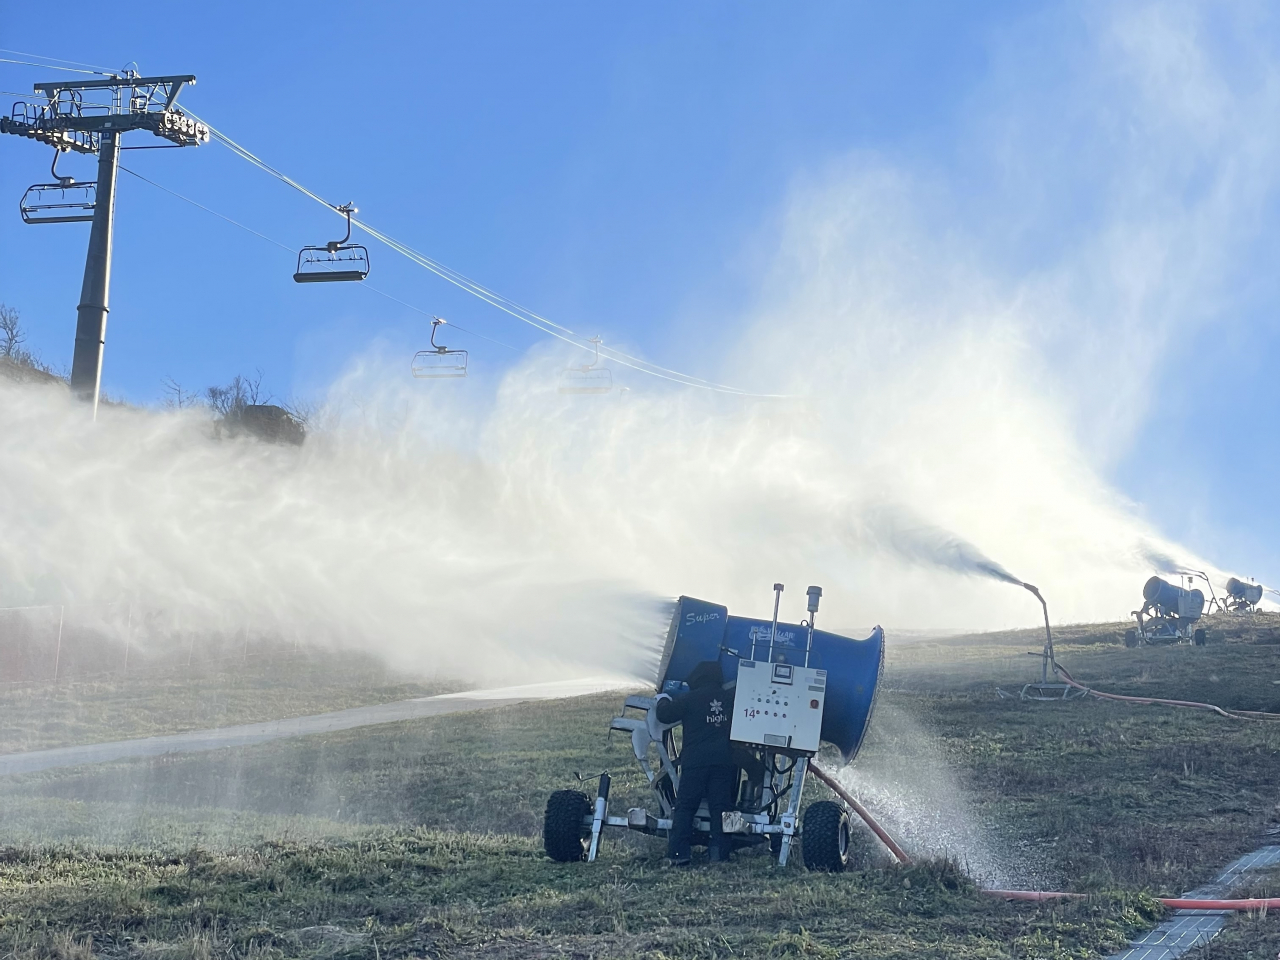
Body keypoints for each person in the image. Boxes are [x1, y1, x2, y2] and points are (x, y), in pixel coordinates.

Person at [656, 659, 737, 865]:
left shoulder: (689, 699)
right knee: (722, 808)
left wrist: (663, 698)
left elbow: (664, 715)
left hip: (695, 762)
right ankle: (720, 854)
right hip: (723, 761)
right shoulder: (730, 699)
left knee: (685, 807)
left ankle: (679, 854)